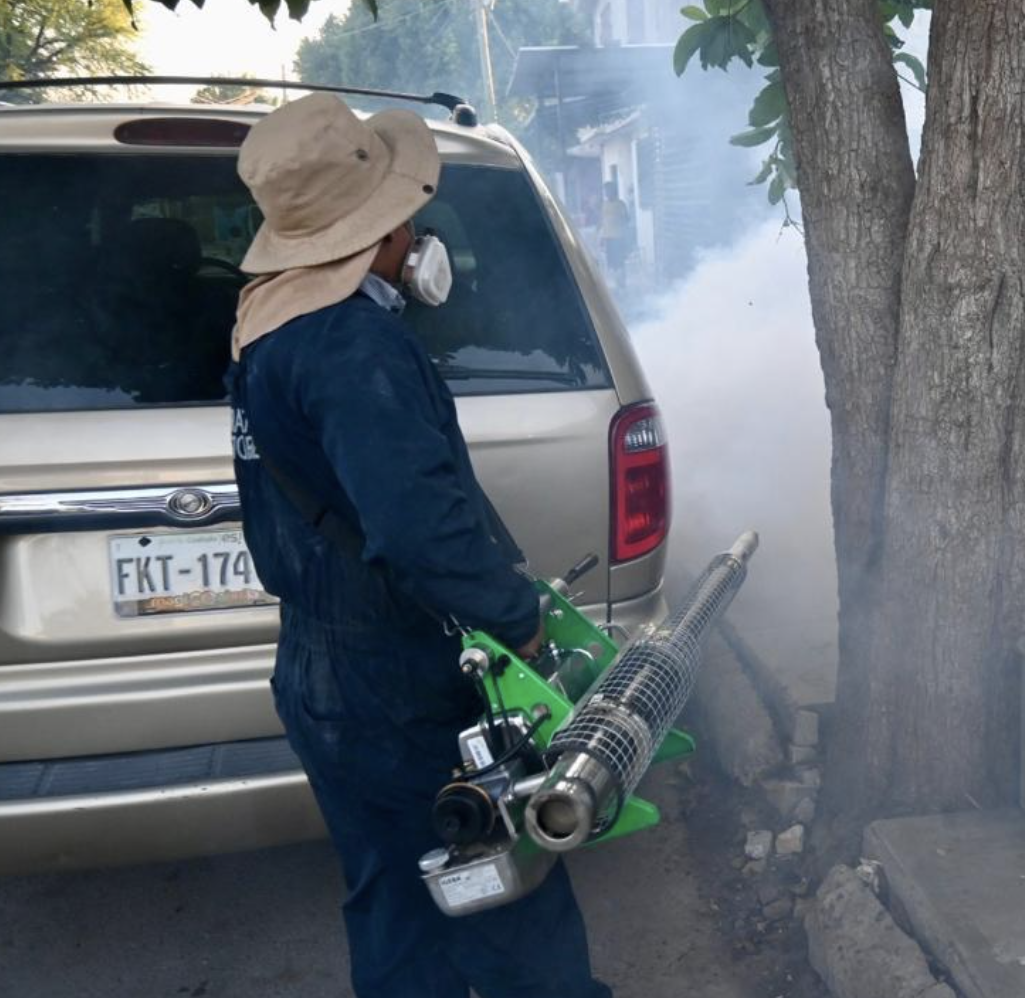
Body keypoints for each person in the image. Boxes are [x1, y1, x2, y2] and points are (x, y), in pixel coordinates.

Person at [225, 93, 610, 998]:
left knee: (396, 903)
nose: (415, 231)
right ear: (379, 231)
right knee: (507, 900)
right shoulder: (352, 345)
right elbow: (416, 527)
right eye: (405, 214)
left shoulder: (265, 331)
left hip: (323, 672)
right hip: (401, 682)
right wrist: (519, 623)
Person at [597, 180, 632, 288]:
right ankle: (616, 284)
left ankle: (622, 284)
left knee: (619, 262)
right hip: (608, 238)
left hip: (618, 238)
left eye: (608, 190)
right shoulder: (604, 205)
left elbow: (627, 219)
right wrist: (602, 238)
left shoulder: (620, 204)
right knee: (611, 264)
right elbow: (603, 221)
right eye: (605, 191)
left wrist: (619, 219)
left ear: (613, 191)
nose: (606, 193)